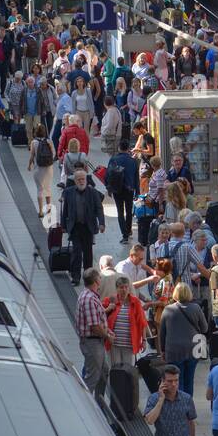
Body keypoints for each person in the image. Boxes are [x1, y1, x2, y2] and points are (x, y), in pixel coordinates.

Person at [158, 281, 211, 398]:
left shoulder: (167, 309)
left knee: (176, 381)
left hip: (173, 351)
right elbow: (205, 328)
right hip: (193, 350)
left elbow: (162, 333)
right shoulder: (196, 308)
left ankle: (177, 405)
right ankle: (187, 406)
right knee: (189, 379)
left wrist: (162, 351)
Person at [60, 167, 104, 286]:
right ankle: (75, 277)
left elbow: (99, 208)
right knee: (76, 252)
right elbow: (65, 210)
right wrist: (63, 225)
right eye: (79, 179)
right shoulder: (69, 192)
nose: (81, 181)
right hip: (75, 227)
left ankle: (88, 278)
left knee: (88, 253)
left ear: (86, 179)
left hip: (88, 227)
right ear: (75, 181)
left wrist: (101, 223)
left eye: (83, 179)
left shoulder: (93, 192)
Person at [76, 268, 112, 398]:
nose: (101, 280)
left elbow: (98, 320)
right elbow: (94, 326)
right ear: (96, 280)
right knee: (92, 377)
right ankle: (86, 404)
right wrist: (107, 335)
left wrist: (107, 330)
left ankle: (99, 401)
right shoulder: (89, 299)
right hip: (92, 342)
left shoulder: (90, 296)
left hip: (96, 341)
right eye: (100, 278)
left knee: (104, 370)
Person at [104, 275, 148, 373]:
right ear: (117, 289)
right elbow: (99, 315)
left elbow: (142, 322)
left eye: (126, 287)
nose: (124, 290)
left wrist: (144, 340)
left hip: (129, 345)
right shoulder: (110, 300)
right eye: (121, 287)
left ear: (129, 288)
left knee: (128, 372)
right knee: (115, 371)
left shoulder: (135, 302)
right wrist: (107, 309)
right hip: (113, 344)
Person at [26, 123, 55, 219]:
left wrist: (29, 165)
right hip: (49, 168)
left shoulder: (34, 142)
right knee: (48, 188)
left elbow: (32, 156)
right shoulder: (49, 141)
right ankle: (49, 208)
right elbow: (53, 154)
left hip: (38, 168)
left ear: (35, 132)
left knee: (40, 189)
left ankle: (41, 211)